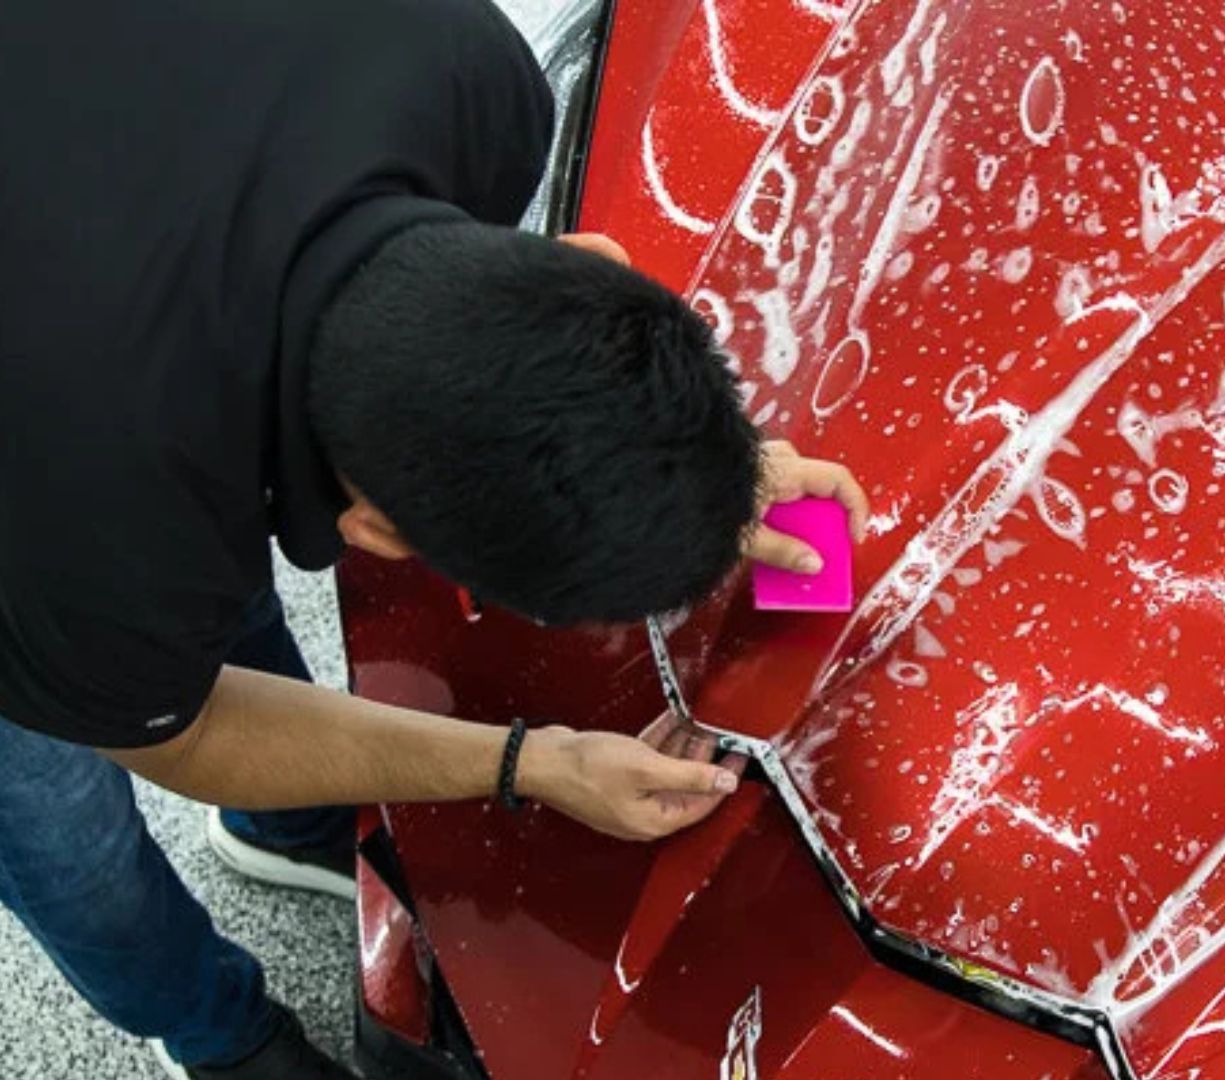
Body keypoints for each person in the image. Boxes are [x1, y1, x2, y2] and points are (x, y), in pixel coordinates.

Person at [0, 0, 867, 1076]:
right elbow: (177, 733)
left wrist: (709, 466)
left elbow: (486, 341)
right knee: (64, 835)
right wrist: (526, 763)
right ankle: (213, 1032)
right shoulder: (92, 537)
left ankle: (291, 827)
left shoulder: (470, 78)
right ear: (376, 533)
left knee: (189, 598)